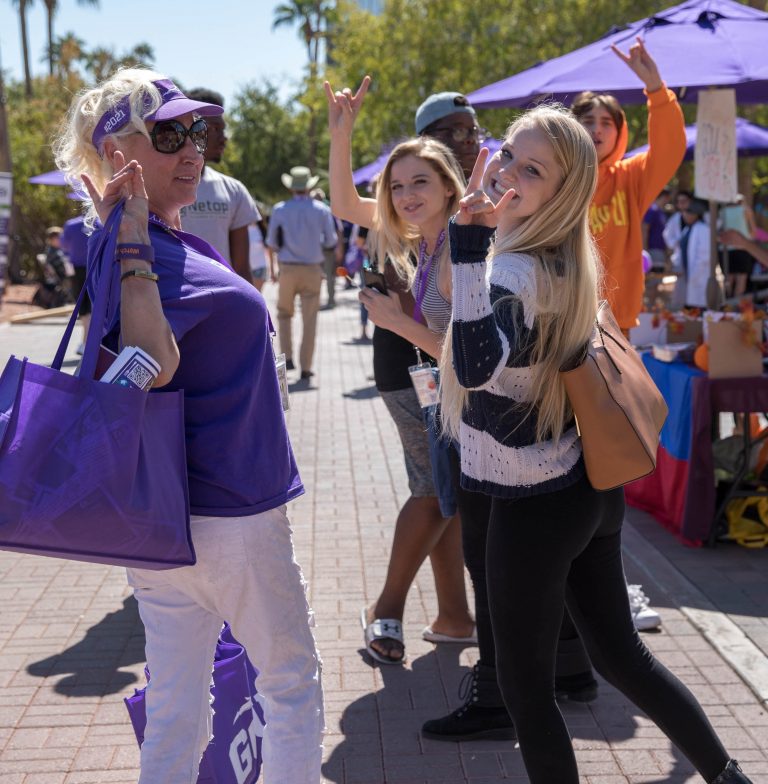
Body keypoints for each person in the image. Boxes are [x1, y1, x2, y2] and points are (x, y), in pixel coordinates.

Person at [438, 99, 755, 784]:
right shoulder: (561, 254)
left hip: (533, 503)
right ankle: (730, 776)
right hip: (584, 489)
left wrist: (466, 244)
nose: (506, 176)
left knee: (527, 691)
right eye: (507, 157)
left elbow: (473, 365)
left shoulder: (514, 269)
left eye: (533, 170)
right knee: (621, 658)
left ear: (564, 192)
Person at [54, 68, 323, 784]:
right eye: (169, 134)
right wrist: (137, 236)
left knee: (178, 704)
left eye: (196, 131)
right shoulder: (135, 246)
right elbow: (151, 360)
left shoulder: (141, 240)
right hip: (228, 510)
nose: (193, 148)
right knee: (290, 684)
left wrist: (137, 232)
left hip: (169, 523)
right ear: (118, 153)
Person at [326, 76, 476, 669]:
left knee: (449, 491)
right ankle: (386, 607)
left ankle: (454, 615)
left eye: (468, 133)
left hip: (453, 371)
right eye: (447, 133)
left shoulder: (472, 214)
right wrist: (343, 136)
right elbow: (345, 205)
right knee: (435, 491)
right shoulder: (403, 217)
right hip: (412, 371)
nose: (462, 141)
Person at [571, 38, 686, 332]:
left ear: (619, 132)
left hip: (616, 322)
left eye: (606, 122)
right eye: (588, 120)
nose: (597, 129)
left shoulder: (631, 177)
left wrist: (656, 89)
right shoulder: (555, 177)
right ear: (573, 127)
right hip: (563, 320)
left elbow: (669, 150)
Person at [179, 87, 260, 284]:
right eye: (215, 129)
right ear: (190, 128)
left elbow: (242, 269)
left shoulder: (234, 190)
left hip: (223, 305)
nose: (224, 138)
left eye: (223, 129)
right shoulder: (160, 187)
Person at [267, 166, 338, 381]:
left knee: (284, 314)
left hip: (287, 268)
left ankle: (287, 357)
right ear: (309, 186)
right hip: (312, 269)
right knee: (310, 319)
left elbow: (271, 242)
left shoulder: (280, 209)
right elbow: (331, 240)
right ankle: (306, 367)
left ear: (291, 188)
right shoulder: (321, 210)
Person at [415, 91, 485, 179]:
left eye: (475, 132)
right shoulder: (408, 191)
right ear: (425, 139)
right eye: (459, 131)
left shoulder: (483, 191)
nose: (471, 139)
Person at [60, 214, 91, 353]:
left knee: (83, 307)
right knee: (92, 306)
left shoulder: (71, 224)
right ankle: (87, 341)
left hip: (77, 270)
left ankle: (86, 342)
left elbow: (64, 246)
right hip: (97, 268)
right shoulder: (101, 222)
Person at [310, 187, 344, 308]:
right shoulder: (321, 211)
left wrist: (339, 247)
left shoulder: (329, 211)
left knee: (329, 276)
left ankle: (330, 300)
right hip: (319, 249)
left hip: (326, 249)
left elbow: (339, 230)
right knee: (320, 276)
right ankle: (318, 301)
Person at [681, 197, 718, 307]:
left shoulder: (703, 229)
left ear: (697, 214)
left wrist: (694, 275)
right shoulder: (688, 229)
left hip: (700, 275)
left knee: (700, 305)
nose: (685, 215)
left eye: (689, 213)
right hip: (690, 274)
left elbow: (705, 255)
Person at [720, 194, 757, 298]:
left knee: (728, 279)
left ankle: (726, 304)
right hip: (743, 248)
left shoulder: (722, 212)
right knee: (741, 279)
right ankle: (736, 307)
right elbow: (753, 231)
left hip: (726, 249)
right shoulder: (745, 210)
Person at [642, 186, 670, 271]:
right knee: (653, 278)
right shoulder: (652, 210)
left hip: (660, 250)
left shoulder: (660, 211)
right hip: (652, 249)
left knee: (658, 277)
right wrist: (645, 249)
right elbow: (644, 228)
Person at [247, 216, 274, 292]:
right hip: (245, 268)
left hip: (260, 267)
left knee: (255, 294)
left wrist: (272, 271)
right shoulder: (241, 230)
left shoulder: (262, 230)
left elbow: (270, 250)